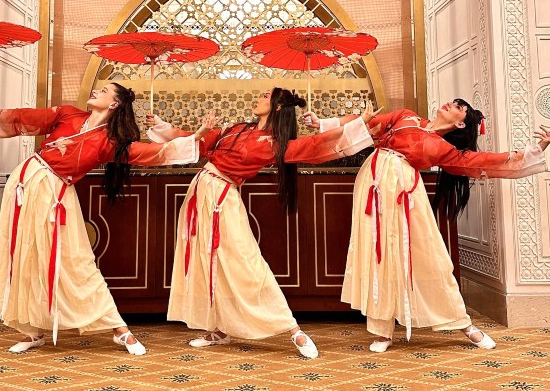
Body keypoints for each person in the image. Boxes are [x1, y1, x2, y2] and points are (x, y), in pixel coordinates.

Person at [0, 83, 215, 355]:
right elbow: (25, 117)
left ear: (115, 104)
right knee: (26, 255)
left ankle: (119, 329)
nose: (96, 93)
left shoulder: (110, 141)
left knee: (76, 261)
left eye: (104, 91)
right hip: (26, 183)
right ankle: (33, 330)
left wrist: (195, 136)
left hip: (56, 194)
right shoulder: (67, 114)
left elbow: (150, 154)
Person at [146, 88, 375, 359]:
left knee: (246, 261)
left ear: (277, 107)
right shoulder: (235, 128)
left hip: (223, 197)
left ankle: (292, 328)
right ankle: (217, 328)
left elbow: (318, 145)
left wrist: (358, 124)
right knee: (206, 260)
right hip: (201, 191)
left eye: (266, 96)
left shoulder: (276, 143)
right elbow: (198, 142)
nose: (258, 98)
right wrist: (160, 126)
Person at [304, 100, 549, 352]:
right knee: (377, 254)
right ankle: (382, 330)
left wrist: (535, 150)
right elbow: (369, 123)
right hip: (373, 184)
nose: (449, 104)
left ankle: (463, 322)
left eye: (457, 106)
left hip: (405, 192)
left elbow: (483, 161)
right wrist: (322, 123)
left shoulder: (443, 148)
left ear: (461, 122)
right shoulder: (406, 116)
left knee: (428, 253)